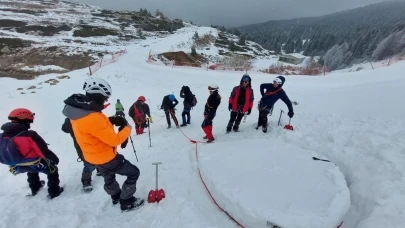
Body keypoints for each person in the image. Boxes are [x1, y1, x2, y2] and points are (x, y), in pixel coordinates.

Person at [62, 77, 144, 211]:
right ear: (99, 95)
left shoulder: (79, 111)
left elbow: (90, 128)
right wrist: (127, 128)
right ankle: (126, 201)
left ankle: (116, 196)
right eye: (105, 97)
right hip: (106, 157)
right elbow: (114, 140)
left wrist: (110, 120)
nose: (106, 100)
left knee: (108, 176)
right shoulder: (92, 116)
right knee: (134, 172)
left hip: (92, 157)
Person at [0, 108, 63, 198]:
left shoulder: (2, 136)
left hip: (17, 166)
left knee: (30, 170)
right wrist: (53, 158)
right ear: (25, 119)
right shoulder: (30, 135)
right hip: (36, 163)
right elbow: (43, 151)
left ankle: (35, 188)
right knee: (52, 170)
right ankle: (54, 192)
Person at [62, 118, 97, 192]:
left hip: (93, 142)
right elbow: (65, 128)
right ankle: (86, 181)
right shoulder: (72, 118)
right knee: (89, 165)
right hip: (82, 147)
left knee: (99, 158)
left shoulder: (88, 114)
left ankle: (99, 169)